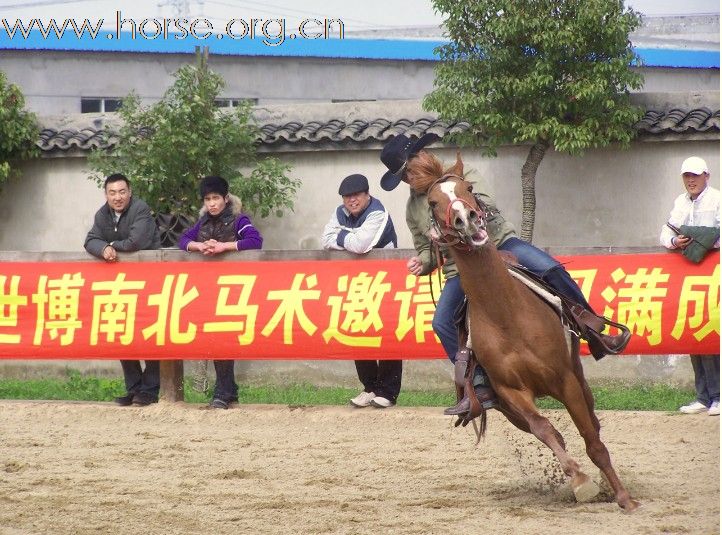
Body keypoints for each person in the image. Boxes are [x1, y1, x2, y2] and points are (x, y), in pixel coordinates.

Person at [379, 133, 629, 416]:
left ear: (421, 159)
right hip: (460, 269)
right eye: (402, 177)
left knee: (551, 269)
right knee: (442, 323)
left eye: (407, 172)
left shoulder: (462, 175)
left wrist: (460, 214)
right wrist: (422, 262)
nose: (407, 180)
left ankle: (592, 330)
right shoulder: (414, 208)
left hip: (500, 244)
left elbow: (487, 205)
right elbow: (424, 249)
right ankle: (480, 384)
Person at [179, 175, 263, 409]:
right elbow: (183, 239)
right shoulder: (203, 223)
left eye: (216, 198)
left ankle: (222, 393)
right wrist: (199, 245)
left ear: (226, 198)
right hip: (209, 289)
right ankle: (229, 391)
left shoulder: (238, 220)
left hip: (233, 288)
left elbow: (255, 241)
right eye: (208, 199)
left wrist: (224, 246)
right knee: (216, 339)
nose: (212, 203)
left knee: (223, 339)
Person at [321, 173, 402, 408]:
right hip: (356, 282)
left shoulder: (378, 212)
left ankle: (387, 391)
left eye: (356, 195)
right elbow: (324, 239)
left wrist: (342, 236)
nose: (351, 201)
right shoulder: (339, 212)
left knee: (386, 332)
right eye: (347, 197)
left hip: (386, 280)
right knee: (358, 329)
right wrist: (350, 239)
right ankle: (370, 387)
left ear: (367, 195)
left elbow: (360, 245)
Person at [84, 173, 162, 407]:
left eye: (122, 192)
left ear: (130, 192)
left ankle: (149, 390)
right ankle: (134, 388)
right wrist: (102, 248)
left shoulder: (140, 210)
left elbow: (135, 242)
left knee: (150, 336)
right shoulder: (102, 214)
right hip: (121, 286)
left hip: (149, 283)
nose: (117, 197)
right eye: (112, 192)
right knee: (122, 334)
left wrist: (110, 246)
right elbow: (90, 240)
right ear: (106, 194)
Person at [660, 156, 720, 416]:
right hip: (687, 277)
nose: (691, 180)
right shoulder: (679, 202)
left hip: (712, 274)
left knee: (710, 332)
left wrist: (706, 241)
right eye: (687, 176)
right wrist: (676, 241)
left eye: (695, 175)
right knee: (692, 332)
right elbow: (664, 233)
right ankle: (702, 396)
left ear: (707, 175)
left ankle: (717, 396)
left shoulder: (717, 198)